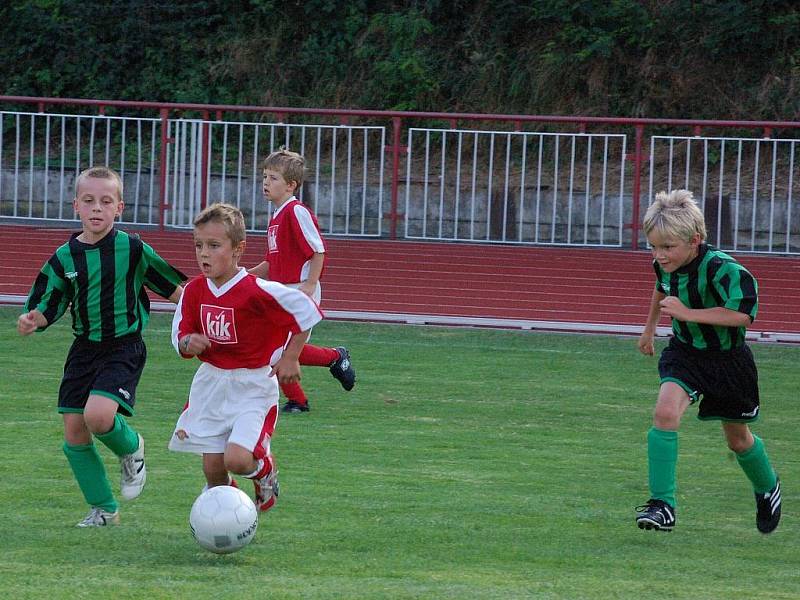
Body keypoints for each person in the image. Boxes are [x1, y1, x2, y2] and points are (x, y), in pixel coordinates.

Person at [17, 166, 185, 527]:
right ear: (76, 205)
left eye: (105, 201)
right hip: (84, 350)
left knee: (98, 417)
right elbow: (50, 303)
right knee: (75, 432)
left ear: (119, 208)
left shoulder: (133, 249)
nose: (97, 208)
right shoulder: (65, 257)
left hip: (123, 347)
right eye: (89, 201)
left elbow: (175, 288)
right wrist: (34, 319)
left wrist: (202, 316)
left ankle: (132, 448)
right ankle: (104, 510)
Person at [635, 189, 781, 534]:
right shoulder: (665, 262)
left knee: (737, 440)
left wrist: (687, 312)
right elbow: (662, 286)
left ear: (695, 240)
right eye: (653, 246)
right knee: (665, 413)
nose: (659, 255)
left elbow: (742, 316)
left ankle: (767, 487)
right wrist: (649, 326)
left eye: (667, 248)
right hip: (685, 353)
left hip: (729, 362)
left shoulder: (725, 270)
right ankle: (662, 505)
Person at [169, 203, 323, 511]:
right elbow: (178, 336)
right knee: (213, 470)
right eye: (198, 245)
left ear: (238, 249)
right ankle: (227, 518)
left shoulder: (258, 291)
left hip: (252, 386)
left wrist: (291, 357)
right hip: (210, 385)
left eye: (214, 246)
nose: (204, 254)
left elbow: (307, 312)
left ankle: (264, 471)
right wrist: (188, 342)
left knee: (237, 459)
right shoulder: (194, 291)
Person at [250, 148, 355, 413]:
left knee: (278, 348)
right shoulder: (276, 216)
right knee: (277, 347)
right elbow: (270, 263)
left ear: (291, 185)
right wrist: (238, 276)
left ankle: (298, 400)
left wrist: (309, 285)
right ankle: (334, 358)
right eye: (264, 176)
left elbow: (318, 250)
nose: (266, 182)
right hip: (282, 290)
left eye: (273, 177)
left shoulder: (296, 212)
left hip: (299, 289)